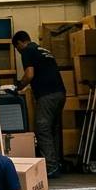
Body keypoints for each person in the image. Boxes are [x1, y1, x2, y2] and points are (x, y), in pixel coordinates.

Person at [12, 30, 66, 178]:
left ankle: (51, 166)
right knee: (53, 129)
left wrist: (18, 87)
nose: (18, 51)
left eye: (17, 48)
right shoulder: (43, 49)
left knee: (42, 129)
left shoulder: (27, 51)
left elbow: (29, 74)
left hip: (47, 95)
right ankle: (57, 163)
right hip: (60, 93)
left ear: (20, 43)